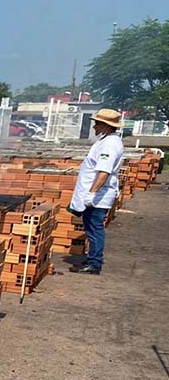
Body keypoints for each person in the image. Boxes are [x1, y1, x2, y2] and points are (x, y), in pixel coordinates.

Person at [67, 108, 125, 275]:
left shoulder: (110, 144)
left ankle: (94, 264)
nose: (94, 127)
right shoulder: (105, 140)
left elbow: (104, 172)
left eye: (96, 123)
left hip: (98, 196)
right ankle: (93, 257)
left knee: (95, 228)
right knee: (91, 227)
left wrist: (92, 193)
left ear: (105, 125)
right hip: (94, 194)